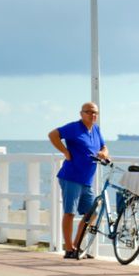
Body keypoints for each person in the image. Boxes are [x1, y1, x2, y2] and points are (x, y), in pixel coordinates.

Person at [49, 102, 109, 259]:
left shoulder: (96, 129)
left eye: (95, 112)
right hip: (71, 177)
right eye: (89, 112)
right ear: (81, 113)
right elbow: (53, 135)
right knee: (69, 212)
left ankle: (76, 245)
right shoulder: (74, 128)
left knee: (92, 212)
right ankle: (69, 249)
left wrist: (103, 153)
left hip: (86, 180)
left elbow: (104, 147)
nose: (92, 115)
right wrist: (65, 152)